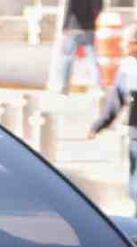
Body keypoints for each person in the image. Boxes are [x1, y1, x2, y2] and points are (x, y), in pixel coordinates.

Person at [90, 24, 137, 215]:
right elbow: (115, 100)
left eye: (128, 43)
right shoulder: (127, 67)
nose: (123, 46)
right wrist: (99, 125)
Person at [59, 0, 103, 95]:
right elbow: (99, 7)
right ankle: (98, 86)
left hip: (74, 26)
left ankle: (65, 87)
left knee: (68, 58)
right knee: (92, 58)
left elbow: (70, 7)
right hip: (90, 26)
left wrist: (65, 26)